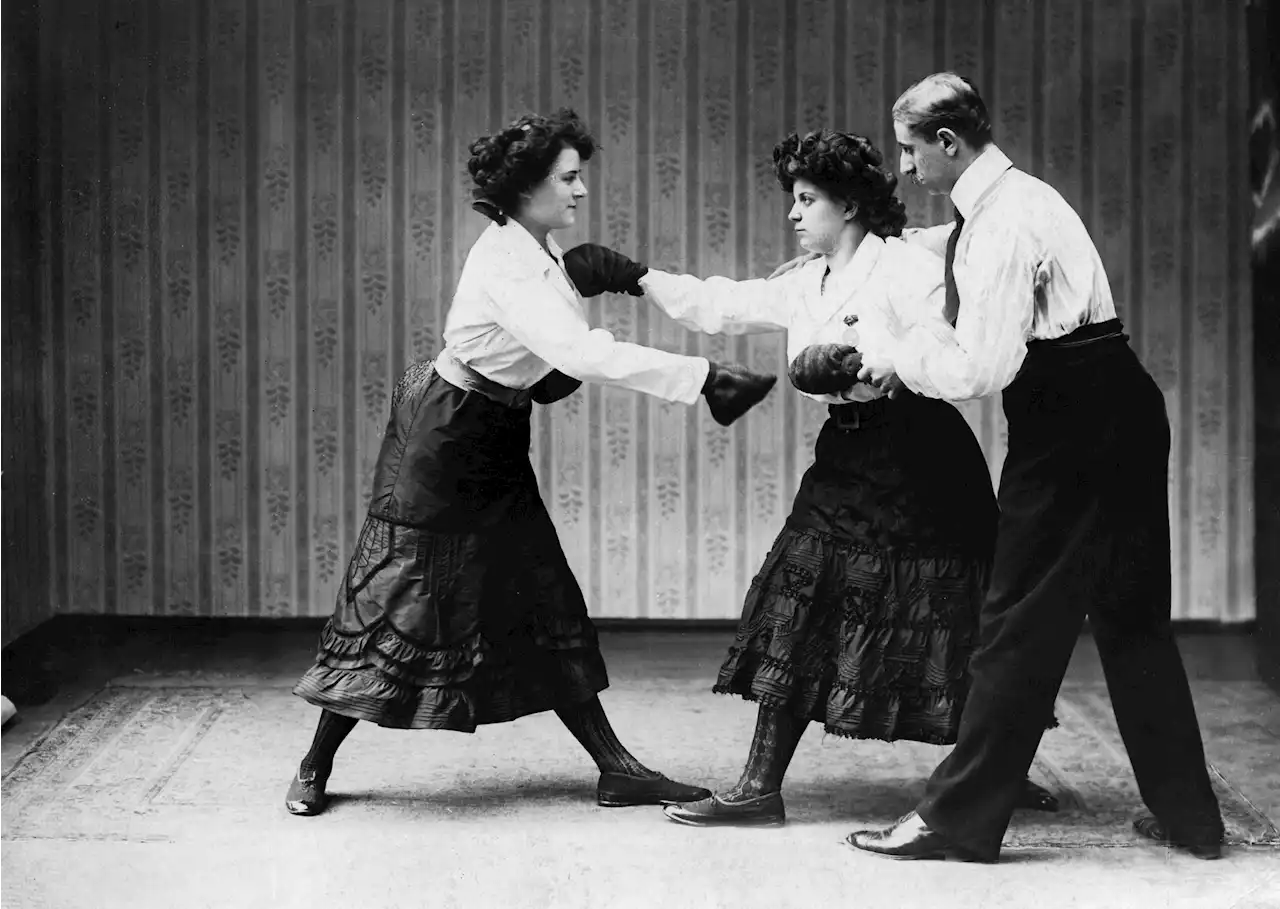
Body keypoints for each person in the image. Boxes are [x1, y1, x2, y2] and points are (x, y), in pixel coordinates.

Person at [284, 108, 778, 817]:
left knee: (540, 589)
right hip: (445, 435)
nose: (581, 191)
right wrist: (704, 377)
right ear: (524, 187)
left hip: (494, 431)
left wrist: (600, 280)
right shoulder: (502, 261)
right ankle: (313, 762)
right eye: (569, 179)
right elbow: (575, 355)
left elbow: (543, 364)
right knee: (401, 597)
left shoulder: (537, 253)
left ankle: (616, 767)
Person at [562, 129, 1057, 829]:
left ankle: (997, 768)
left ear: (849, 204)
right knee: (805, 603)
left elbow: (951, 344)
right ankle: (759, 786)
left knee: (957, 614)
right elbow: (722, 304)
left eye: (806, 199)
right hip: (848, 457)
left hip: (922, 455)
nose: (793, 213)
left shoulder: (904, 269)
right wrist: (634, 276)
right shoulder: (805, 279)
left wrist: (863, 359)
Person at [845, 73, 1225, 862]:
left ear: (949, 143)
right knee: (1132, 615)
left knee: (1015, 617)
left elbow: (980, 368)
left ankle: (955, 819)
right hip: (1119, 399)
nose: (907, 170)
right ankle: (1193, 819)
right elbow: (946, 260)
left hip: (1069, 417)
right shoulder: (1019, 200)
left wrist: (892, 356)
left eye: (913, 151)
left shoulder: (1001, 224)